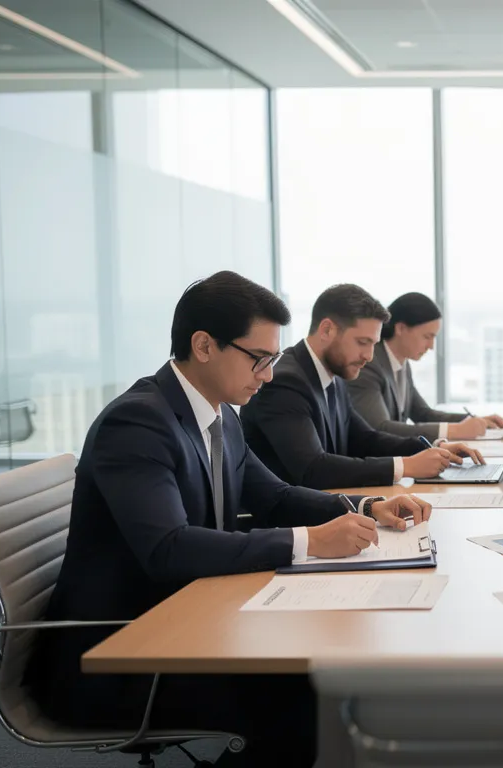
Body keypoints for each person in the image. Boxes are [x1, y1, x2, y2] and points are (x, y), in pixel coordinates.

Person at [27, 271, 432, 768]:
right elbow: (168, 549)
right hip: (120, 656)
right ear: (203, 346)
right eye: (258, 359)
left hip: (185, 620)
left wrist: (364, 508)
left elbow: (276, 495)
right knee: (305, 698)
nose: (267, 374)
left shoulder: (221, 415)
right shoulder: (136, 423)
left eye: (273, 359)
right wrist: (309, 542)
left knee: (320, 673)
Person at [241, 284, 484, 489]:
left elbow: (365, 438)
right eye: (362, 342)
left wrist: (433, 448)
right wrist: (405, 466)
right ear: (327, 330)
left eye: (373, 344)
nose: (369, 356)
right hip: (284, 527)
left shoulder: (332, 374)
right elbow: (313, 469)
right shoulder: (285, 381)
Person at [348, 291, 503, 440]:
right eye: (427, 336)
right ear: (401, 328)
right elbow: (380, 428)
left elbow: (423, 413)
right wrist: (455, 431)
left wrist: (473, 420)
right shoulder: (369, 364)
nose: (431, 346)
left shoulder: (401, 363)